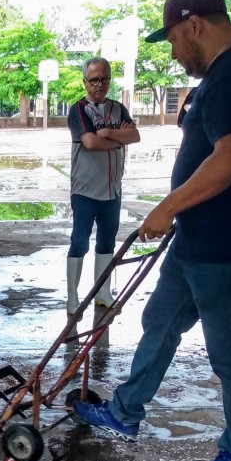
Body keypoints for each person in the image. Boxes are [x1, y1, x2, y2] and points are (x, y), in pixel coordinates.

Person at [73, 0, 231, 461]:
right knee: (160, 320)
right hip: (200, 240)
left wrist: (166, 207)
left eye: (172, 39)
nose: (173, 51)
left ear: (194, 25)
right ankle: (126, 410)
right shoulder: (230, 72)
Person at [65, 57, 140, 315]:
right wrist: (119, 139)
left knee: (107, 242)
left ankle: (103, 293)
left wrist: (108, 134)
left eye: (104, 78)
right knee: (79, 242)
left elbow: (136, 135)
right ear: (85, 82)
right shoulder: (79, 110)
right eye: (94, 79)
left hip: (112, 191)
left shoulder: (118, 109)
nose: (99, 84)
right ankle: (73, 298)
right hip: (85, 190)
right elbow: (89, 143)